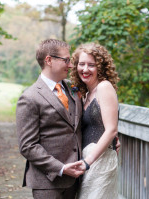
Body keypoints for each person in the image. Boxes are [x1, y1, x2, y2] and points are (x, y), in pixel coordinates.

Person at [16, 39, 85, 199]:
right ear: (49, 60)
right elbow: (28, 146)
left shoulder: (72, 88)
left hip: (76, 180)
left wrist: (109, 138)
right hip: (47, 183)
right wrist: (61, 168)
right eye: (66, 60)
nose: (70, 65)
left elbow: (83, 122)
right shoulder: (29, 97)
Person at [70, 42, 120, 198]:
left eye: (91, 65)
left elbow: (111, 129)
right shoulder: (85, 94)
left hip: (100, 160)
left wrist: (88, 161)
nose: (85, 69)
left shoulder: (104, 87)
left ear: (101, 67)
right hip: (88, 160)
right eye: (81, 64)